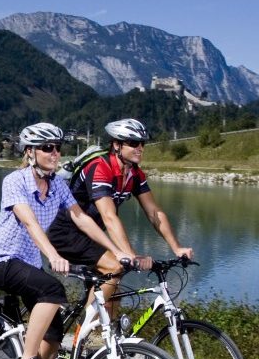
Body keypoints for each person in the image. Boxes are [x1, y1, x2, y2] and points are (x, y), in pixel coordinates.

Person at [0, 123, 135, 359]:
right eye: (47, 148)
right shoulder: (14, 181)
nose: (55, 153)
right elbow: (29, 222)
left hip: (27, 264)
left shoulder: (58, 185)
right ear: (30, 152)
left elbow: (82, 219)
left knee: (53, 334)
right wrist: (53, 255)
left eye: (57, 148)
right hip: (1, 260)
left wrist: (116, 251)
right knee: (53, 290)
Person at [47, 118, 194, 332]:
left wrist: (176, 247)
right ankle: (83, 332)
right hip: (65, 232)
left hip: (92, 235)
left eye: (142, 143)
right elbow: (109, 216)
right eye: (134, 143)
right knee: (114, 266)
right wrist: (131, 254)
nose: (140, 148)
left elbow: (154, 212)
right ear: (117, 145)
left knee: (116, 275)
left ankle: (112, 339)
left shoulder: (133, 173)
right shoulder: (99, 168)